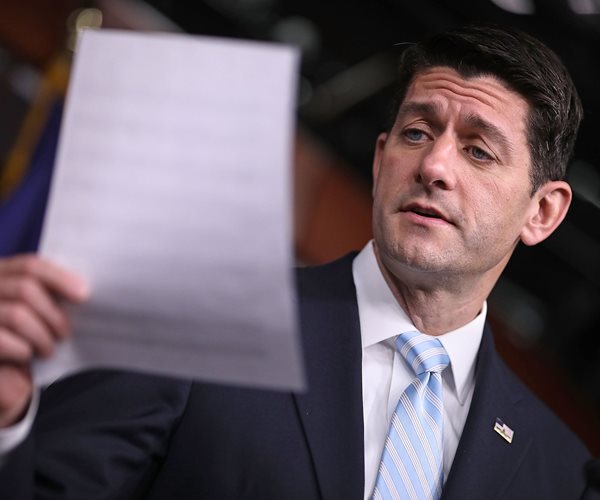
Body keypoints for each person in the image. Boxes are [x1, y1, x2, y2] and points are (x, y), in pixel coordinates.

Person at [0, 24, 596, 499]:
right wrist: (7, 423)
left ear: (542, 212)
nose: (435, 166)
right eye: (417, 132)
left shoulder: (563, 475)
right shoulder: (198, 320)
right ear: (380, 160)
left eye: (478, 150)